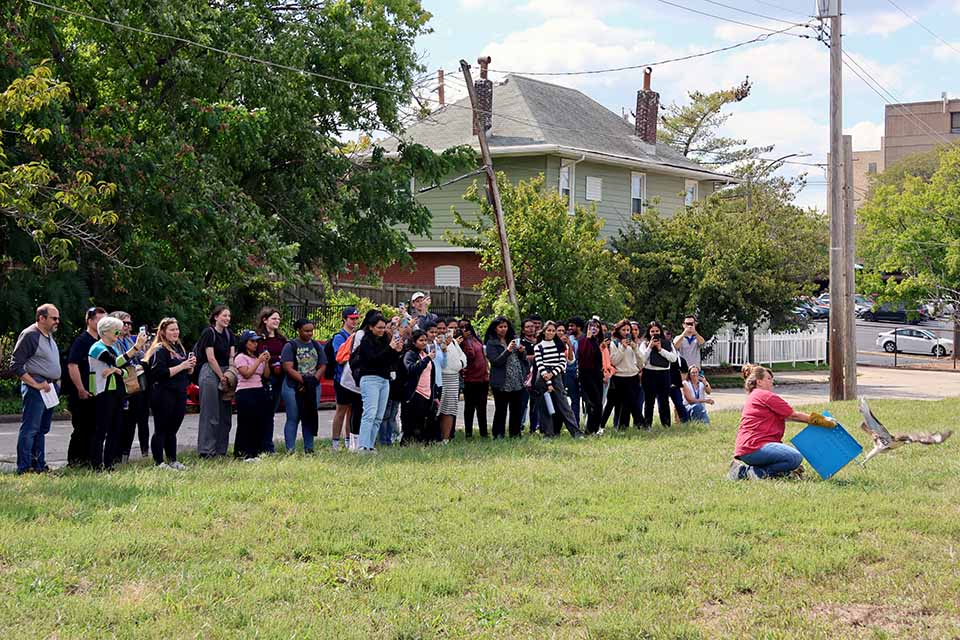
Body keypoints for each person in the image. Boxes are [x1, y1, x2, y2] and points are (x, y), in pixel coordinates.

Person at [729, 365, 836, 480]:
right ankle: (754, 473)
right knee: (794, 457)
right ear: (759, 382)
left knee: (789, 458)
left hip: (747, 449)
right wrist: (822, 421)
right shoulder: (765, 395)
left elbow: (789, 417)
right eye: (769, 379)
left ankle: (749, 472)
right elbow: (793, 415)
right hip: (755, 447)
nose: (772, 382)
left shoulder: (754, 396)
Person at [88, 316, 147, 470]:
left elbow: (126, 371)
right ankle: (96, 464)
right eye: (116, 331)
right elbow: (117, 361)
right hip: (103, 392)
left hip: (117, 392)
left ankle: (109, 463)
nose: (119, 333)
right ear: (105, 331)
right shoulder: (97, 348)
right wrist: (135, 348)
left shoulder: (114, 348)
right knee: (101, 429)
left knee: (115, 428)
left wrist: (116, 370)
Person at [11, 304, 61, 474]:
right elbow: (15, 365)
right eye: (54, 318)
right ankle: (24, 468)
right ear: (41, 318)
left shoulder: (48, 335)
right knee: (30, 429)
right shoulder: (30, 335)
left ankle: (39, 465)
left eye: (58, 318)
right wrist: (36, 384)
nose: (57, 322)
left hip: (50, 388)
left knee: (41, 429)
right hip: (37, 389)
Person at [145, 317, 194, 469]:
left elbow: (186, 372)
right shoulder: (160, 350)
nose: (175, 332)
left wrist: (190, 366)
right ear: (163, 332)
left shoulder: (179, 348)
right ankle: (159, 462)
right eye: (172, 329)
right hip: (163, 393)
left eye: (177, 329)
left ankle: (172, 459)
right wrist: (182, 365)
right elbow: (160, 373)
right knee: (161, 428)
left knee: (173, 428)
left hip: (179, 391)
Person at [354, 313, 404, 452]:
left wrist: (396, 351)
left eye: (384, 327)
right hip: (370, 379)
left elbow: (388, 361)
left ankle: (370, 446)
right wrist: (390, 348)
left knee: (379, 416)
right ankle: (362, 446)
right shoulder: (365, 341)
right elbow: (373, 360)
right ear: (370, 327)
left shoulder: (384, 340)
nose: (382, 330)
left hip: (384, 379)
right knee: (369, 413)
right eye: (379, 328)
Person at [65, 306, 105, 467]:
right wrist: (80, 388)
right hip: (82, 393)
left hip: (97, 392)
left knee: (94, 428)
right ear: (90, 321)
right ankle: (74, 461)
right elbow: (72, 365)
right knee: (81, 428)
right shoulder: (82, 341)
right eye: (100, 320)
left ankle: (89, 459)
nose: (103, 324)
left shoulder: (101, 342)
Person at [280, 319, 327, 453]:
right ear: (299, 330)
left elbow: (323, 364)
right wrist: (303, 380)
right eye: (306, 331)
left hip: (313, 386)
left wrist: (314, 379)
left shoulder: (316, 346)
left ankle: (309, 449)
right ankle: (290, 449)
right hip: (292, 386)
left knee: (309, 416)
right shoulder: (290, 346)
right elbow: (287, 367)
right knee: (293, 417)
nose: (309, 334)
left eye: (311, 331)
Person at [196, 305, 235, 458]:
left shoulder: (229, 334)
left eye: (229, 316)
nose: (227, 319)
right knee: (210, 413)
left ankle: (220, 450)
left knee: (225, 413)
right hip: (211, 372)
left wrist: (230, 373)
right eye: (224, 315)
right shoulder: (209, 333)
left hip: (226, 371)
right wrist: (221, 376)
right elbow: (210, 358)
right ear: (216, 317)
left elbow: (232, 355)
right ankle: (206, 450)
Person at [111, 311, 150, 463]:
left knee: (134, 421)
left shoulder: (129, 340)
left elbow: (141, 357)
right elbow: (120, 360)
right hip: (120, 383)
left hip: (135, 384)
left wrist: (145, 349)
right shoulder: (113, 342)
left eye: (130, 323)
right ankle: (116, 455)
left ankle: (126, 455)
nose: (128, 326)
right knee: (120, 422)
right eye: (124, 323)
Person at [533, 321, 584, 438]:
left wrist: (552, 375)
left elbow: (563, 363)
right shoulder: (538, 346)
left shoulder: (560, 344)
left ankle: (575, 432)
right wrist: (547, 379)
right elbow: (540, 364)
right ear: (544, 331)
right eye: (549, 330)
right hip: (542, 376)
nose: (551, 333)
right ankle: (548, 433)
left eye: (553, 330)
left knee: (564, 405)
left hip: (556, 375)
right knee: (545, 406)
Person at [484, 316, 525, 438]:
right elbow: (496, 362)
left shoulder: (513, 340)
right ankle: (498, 434)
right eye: (500, 327)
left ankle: (515, 433)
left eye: (505, 326)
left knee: (516, 409)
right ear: (495, 328)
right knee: (501, 409)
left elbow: (521, 359)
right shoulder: (491, 343)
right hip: (501, 381)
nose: (503, 329)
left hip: (516, 379)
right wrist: (507, 350)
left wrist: (522, 351)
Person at [234, 330, 272, 461]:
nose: (255, 344)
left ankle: (254, 452)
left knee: (257, 423)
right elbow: (247, 374)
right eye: (252, 341)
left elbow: (266, 375)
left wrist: (266, 362)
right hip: (245, 391)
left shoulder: (257, 358)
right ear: (245, 343)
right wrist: (259, 361)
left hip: (258, 390)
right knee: (246, 423)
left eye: (257, 341)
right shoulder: (240, 357)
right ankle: (242, 453)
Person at [604, 320, 644, 430]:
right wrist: (623, 347)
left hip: (633, 376)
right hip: (620, 377)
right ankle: (639, 423)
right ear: (618, 330)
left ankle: (627, 426)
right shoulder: (614, 344)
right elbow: (614, 361)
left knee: (632, 402)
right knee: (625, 403)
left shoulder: (634, 344)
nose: (626, 332)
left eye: (628, 330)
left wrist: (635, 348)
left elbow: (641, 362)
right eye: (623, 330)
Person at [256, 307, 286, 452]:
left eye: (278, 319)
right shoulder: (258, 339)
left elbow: (287, 356)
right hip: (262, 379)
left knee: (270, 414)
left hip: (279, 379)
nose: (277, 321)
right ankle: (259, 445)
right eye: (274, 318)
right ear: (265, 320)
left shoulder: (281, 339)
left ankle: (268, 446)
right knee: (261, 413)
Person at [330, 307, 359, 451]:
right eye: (351, 318)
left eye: (356, 318)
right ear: (345, 319)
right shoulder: (339, 337)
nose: (354, 321)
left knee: (352, 411)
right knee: (341, 410)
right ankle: (335, 443)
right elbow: (339, 358)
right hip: (341, 378)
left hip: (353, 379)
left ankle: (349, 442)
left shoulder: (357, 335)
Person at [401, 329, 438, 443]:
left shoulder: (424, 354)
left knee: (423, 422)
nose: (424, 343)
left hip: (427, 393)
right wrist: (427, 359)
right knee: (412, 424)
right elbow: (412, 369)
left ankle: (422, 442)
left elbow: (431, 375)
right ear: (414, 342)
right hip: (415, 393)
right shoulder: (410, 354)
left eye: (425, 340)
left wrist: (434, 394)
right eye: (421, 340)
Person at [639, 321, 678, 429]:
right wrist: (650, 347)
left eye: (657, 331)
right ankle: (647, 425)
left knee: (664, 400)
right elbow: (641, 359)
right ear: (648, 332)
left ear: (660, 331)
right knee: (649, 401)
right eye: (652, 331)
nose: (654, 333)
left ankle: (666, 424)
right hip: (649, 374)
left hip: (664, 374)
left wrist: (661, 350)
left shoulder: (668, 343)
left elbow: (673, 358)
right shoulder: (644, 343)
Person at [459, 320, 489, 438]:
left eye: (466, 326)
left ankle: (484, 433)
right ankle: (468, 433)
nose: (465, 329)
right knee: (469, 407)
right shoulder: (461, 342)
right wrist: (465, 340)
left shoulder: (476, 339)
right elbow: (470, 356)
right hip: (470, 379)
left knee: (482, 407)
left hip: (483, 378)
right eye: (461, 327)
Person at [438, 326, 466, 442]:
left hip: (454, 378)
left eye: (445, 328)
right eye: (439, 328)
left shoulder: (454, 341)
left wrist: (459, 364)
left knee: (450, 409)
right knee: (438, 408)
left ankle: (446, 438)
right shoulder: (434, 342)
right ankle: (436, 436)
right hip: (441, 378)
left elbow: (463, 357)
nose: (442, 330)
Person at [577, 319, 604, 435]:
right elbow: (583, 354)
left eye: (597, 327)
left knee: (599, 403)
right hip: (586, 375)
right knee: (593, 402)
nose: (594, 329)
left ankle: (596, 428)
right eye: (591, 326)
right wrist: (587, 338)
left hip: (597, 375)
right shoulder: (583, 340)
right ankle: (589, 429)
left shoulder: (597, 341)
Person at [664, 329, 690, 425]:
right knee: (663, 406)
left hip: (674, 386)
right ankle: (666, 425)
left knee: (679, 404)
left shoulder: (680, 359)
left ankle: (686, 423)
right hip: (662, 385)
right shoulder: (659, 356)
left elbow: (684, 371)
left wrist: (680, 382)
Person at [519, 317, 540, 434]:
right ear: (523, 330)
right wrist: (533, 357)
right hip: (524, 376)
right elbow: (520, 358)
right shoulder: (521, 343)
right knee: (523, 402)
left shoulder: (539, 341)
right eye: (527, 327)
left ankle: (534, 427)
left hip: (537, 375)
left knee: (535, 403)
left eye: (532, 326)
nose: (531, 329)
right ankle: (520, 426)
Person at [564, 318, 585, 427]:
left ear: (579, 327)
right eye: (569, 326)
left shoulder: (585, 339)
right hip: (569, 372)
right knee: (572, 399)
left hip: (582, 372)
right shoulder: (569, 339)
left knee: (580, 400)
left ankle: (580, 424)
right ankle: (573, 424)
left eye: (572, 326)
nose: (569, 328)